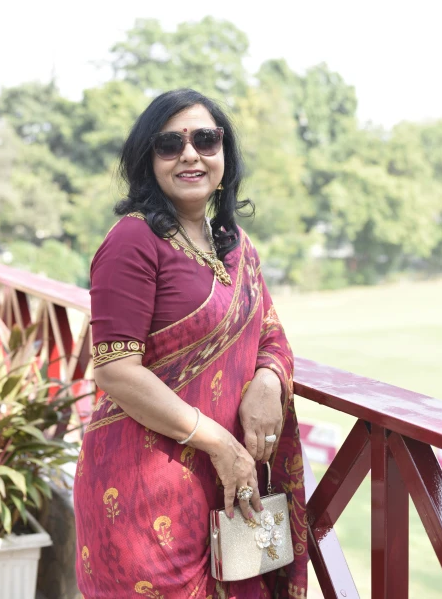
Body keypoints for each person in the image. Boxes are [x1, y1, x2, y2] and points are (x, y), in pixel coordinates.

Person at [74, 88, 308, 599]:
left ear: (224, 152)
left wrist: (268, 381)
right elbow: (116, 370)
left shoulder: (236, 244)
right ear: (147, 159)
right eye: (169, 144)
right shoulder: (132, 241)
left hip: (230, 488)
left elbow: (270, 330)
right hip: (141, 492)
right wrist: (222, 444)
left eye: (205, 139)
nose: (190, 154)